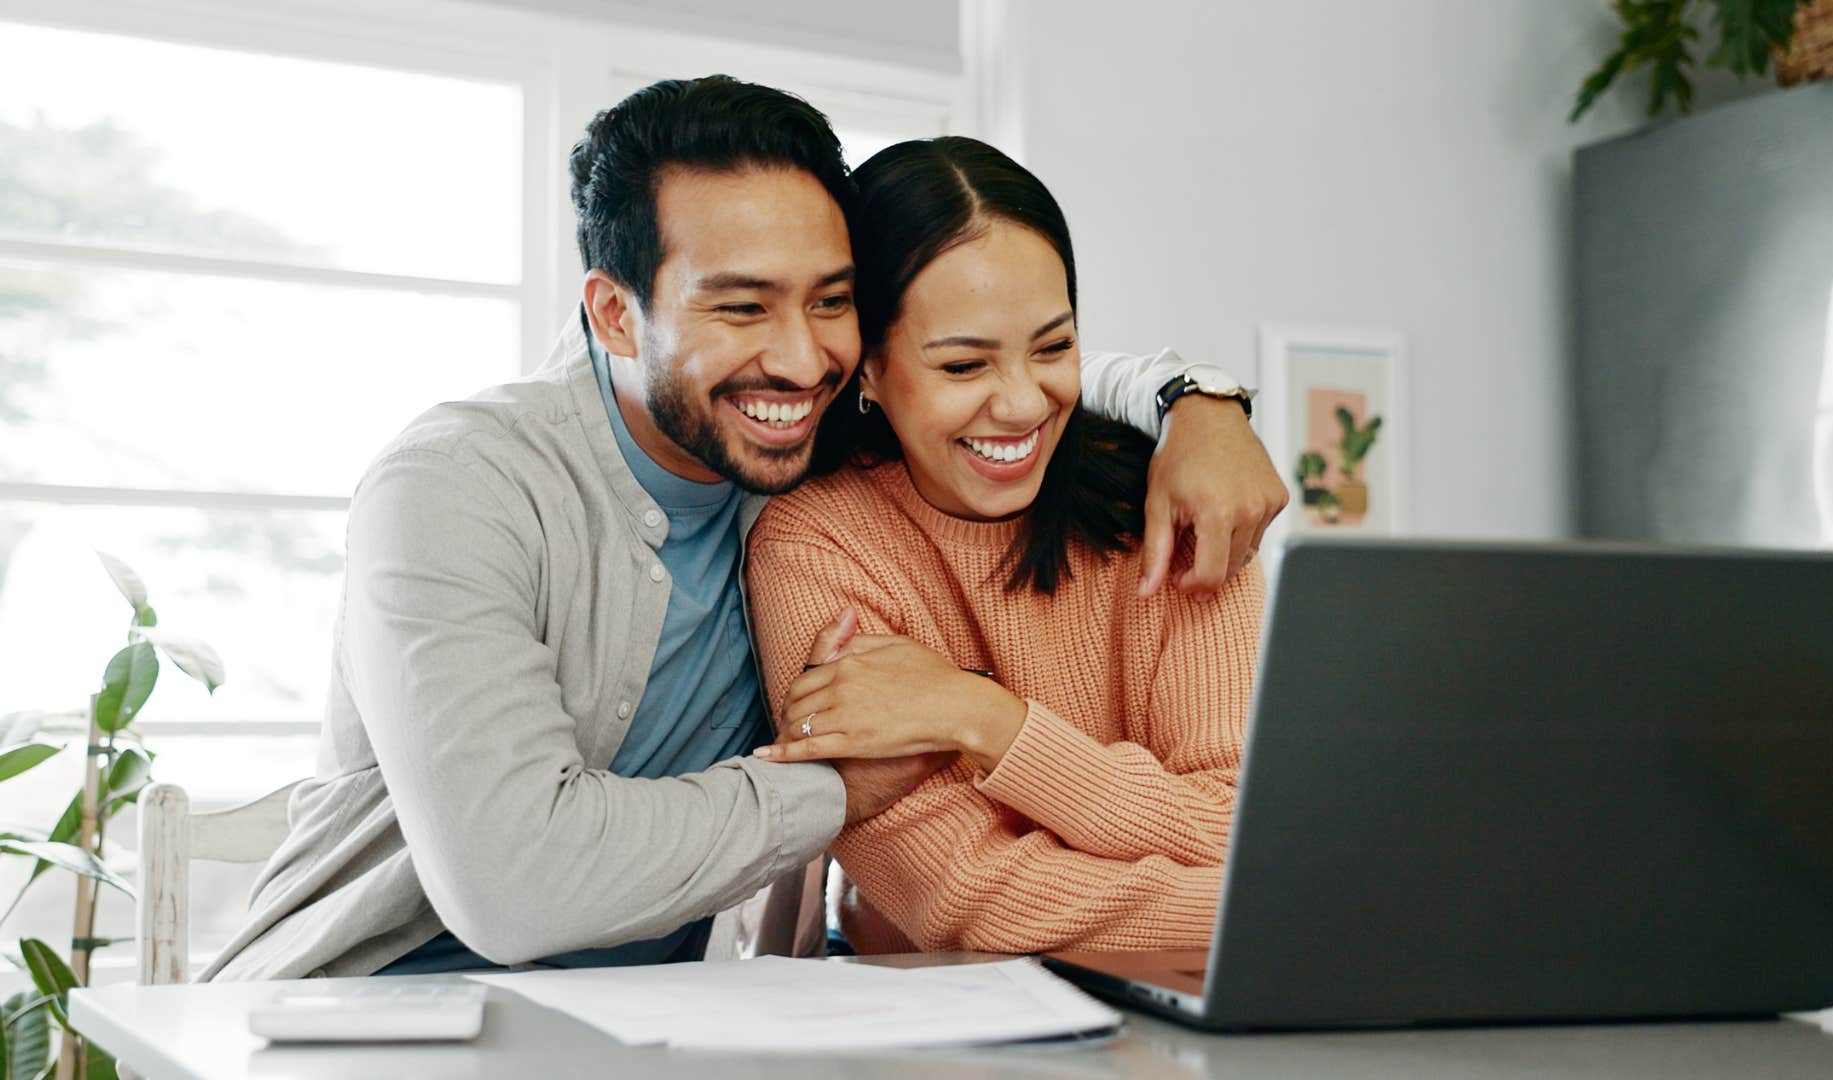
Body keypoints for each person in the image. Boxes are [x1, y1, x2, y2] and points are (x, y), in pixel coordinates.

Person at [203, 77, 1285, 981]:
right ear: (615, 311)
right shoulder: (458, 487)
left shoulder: (805, 436)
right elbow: (511, 889)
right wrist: (829, 794)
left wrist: (1199, 401)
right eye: (740, 306)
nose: (800, 357)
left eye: (829, 301)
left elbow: (981, 366)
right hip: (357, 1011)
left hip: (650, 1026)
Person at [746, 136, 1264, 954]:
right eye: (963, 366)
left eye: (1054, 348)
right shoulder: (815, 546)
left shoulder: (1172, 509)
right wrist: (1278, 923)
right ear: (867, 370)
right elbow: (961, 895)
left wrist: (981, 716)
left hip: (1211, 1011)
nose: (1024, 403)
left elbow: (1247, 826)